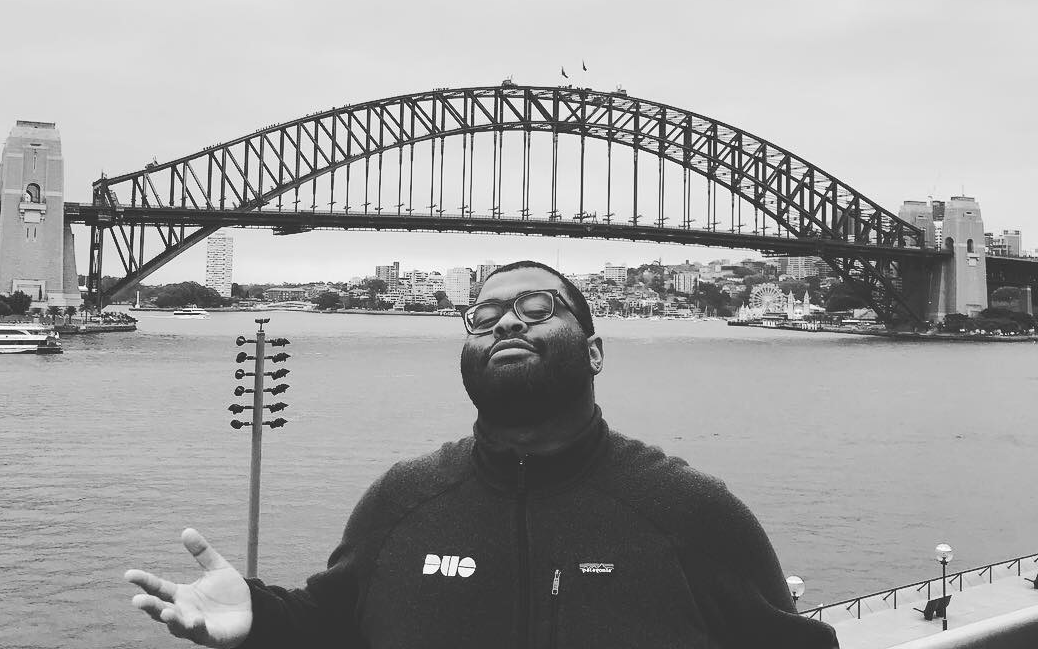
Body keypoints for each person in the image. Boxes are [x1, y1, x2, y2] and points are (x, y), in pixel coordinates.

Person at [126, 260, 838, 648]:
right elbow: (329, 621)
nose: (505, 323)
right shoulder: (404, 499)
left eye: (536, 310)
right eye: (484, 316)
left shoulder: (688, 512)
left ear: (594, 351)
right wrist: (256, 616)